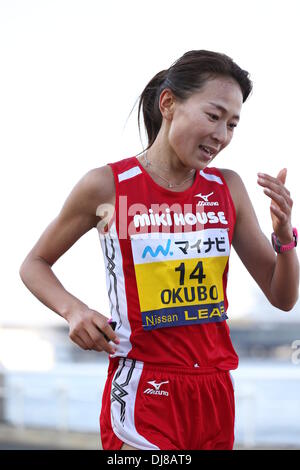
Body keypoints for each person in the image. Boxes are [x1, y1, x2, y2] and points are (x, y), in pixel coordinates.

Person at [19, 50, 299, 450]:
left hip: (214, 395)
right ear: (168, 104)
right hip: (143, 392)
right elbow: (34, 264)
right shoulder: (107, 187)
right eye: (213, 115)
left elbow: (282, 296)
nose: (222, 135)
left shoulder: (227, 189)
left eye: (233, 124)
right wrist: (74, 310)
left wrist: (284, 234)